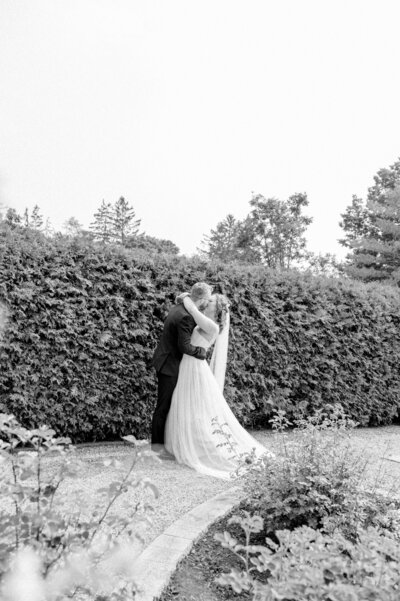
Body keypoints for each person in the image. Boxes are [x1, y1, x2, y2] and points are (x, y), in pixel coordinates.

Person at [164, 293, 272, 479]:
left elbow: (192, 309)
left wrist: (186, 298)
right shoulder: (206, 321)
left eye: (212, 301)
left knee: (194, 406)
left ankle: (199, 447)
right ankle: (186, 444)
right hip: (188, 365)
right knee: (186, 405)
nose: (208, 301)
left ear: (218, 308)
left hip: (194, 368)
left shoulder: (211, 326)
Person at [151, 282, 213, 458]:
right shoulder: (186, 315)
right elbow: (185, 346)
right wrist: (201, 352)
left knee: (165, 406)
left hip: (165, 360)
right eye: (206, 300)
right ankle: (157, 449)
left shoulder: (180, 306)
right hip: (168, 365)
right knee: (163, 407)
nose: (206, 304)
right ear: (200, 298)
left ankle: (163, 445)